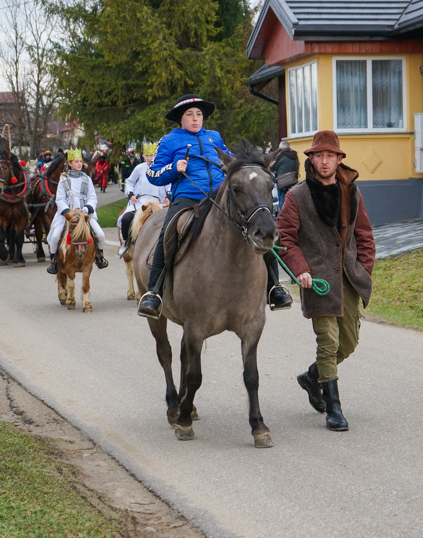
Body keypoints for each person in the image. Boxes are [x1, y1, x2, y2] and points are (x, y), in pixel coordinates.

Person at [136, 93, 293, 318]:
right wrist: (174, 168)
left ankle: (274, 287)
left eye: (198, 114)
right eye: (189, 115)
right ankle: (154, 292)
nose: (195, 118)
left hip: (219, 196)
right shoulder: (169, 141)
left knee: (256, 224)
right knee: (168, 232)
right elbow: (153, 173)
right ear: (180, 119)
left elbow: (231, 161)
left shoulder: (214, 137)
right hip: (187, 198)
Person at [277, 130, 375, 431]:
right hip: (316, 279)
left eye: (329, 156)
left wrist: (364, 270)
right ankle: (334, 408)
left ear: (339, 159)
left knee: (348, 342)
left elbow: (365, 236)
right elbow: (284, 240)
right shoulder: (296, 196)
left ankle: (311, 377)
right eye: (318, 155)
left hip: (347, 277)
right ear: (311, 158)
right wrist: (301, 270)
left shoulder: (352, 192)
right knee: (329, 342)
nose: (324, 161)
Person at [46, 149, 109, 274]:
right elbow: (59, 199)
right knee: (55, 236)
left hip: (85, 214)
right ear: (69, 163)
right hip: (67, 215)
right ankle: (54, 261)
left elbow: (92, 198)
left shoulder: (87, 179)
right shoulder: (63, 179)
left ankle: (99, 257)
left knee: (101, 235)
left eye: (80, 161)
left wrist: (86, 209)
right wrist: (67, 212)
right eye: (76, 162)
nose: (79, 164)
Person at [117, 142, 169, 256]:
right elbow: (129, 182)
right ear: (143, 156)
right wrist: (131, 194)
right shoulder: (139, 168)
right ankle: (125, 243)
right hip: (140, 202)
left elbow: (168, 185)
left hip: (158, 203)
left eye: (151, 155)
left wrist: (168, 196)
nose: (149, 158)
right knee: (126, 219)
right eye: (147, 156)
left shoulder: (162, 168)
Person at [270, 139, 299, 213]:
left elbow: (273, 168)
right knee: (292, 201)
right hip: (293, 182)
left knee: (282, 203)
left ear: (281, 149)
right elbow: (296, 169)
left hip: (283, 184)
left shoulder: (281, 156)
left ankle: (283, 220)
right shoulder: (295, 156)